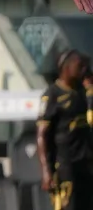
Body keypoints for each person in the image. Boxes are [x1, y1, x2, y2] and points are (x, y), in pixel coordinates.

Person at [37, 49, 93, 210]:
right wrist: (46, 171)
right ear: (66, 67)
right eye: (80, 66)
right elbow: (42, 136)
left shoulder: (85, 92)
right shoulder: (52, 95)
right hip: (66, 165)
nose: (85, 70)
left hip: (87, 162)